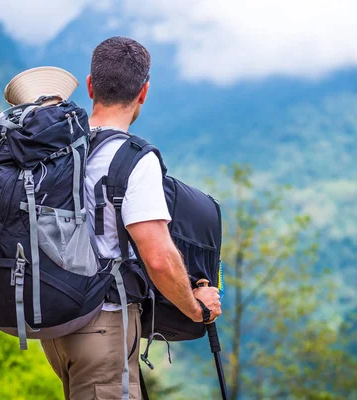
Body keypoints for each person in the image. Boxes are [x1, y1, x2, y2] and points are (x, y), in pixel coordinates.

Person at [40, 36, 222, 400]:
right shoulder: (134, 159)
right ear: (143, 92)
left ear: (91, 85)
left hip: (56, 324)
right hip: (102, 325)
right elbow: (156, 255)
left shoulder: (59, 146)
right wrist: (196, 307)